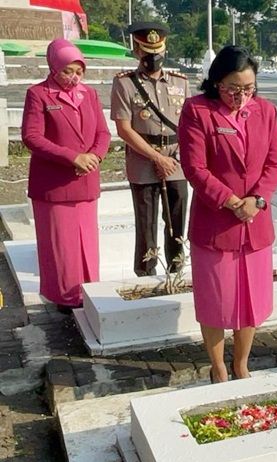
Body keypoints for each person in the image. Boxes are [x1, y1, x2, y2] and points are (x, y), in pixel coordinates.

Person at [178, 46, 277, 383]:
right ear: (216, 83)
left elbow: (275, 162)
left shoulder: (265, 111)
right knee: (215, 300)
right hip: (216, 222)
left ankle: (241, 363)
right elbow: (194, 167)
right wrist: (230, 201)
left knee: (250, 300)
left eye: (248, 89)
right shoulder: (197, 111)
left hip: (255, 222)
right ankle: (218, 366)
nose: (240, 97)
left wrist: (257, 201)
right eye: (232, 89)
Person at [21, 39, 110, 313]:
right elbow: (32, 136)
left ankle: (88, 290)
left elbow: (103, 133)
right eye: (68, 71)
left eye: (79, 72)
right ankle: (64, 298)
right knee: (62, 245)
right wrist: (73, 157)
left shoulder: (90, 95)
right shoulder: (39, 94)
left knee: (86, 243)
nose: (74, 78)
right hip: (54, 185)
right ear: (54, 67)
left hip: (86, 180)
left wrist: (94, 155)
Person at [111, 22, 190, 277]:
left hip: (176, 161)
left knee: (176, 221)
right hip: (143, 161)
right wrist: (157, 157)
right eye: (147, 51)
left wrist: (174, 157)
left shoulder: (180, 82)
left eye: (157, 50)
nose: (153, 57)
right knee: (146, 223)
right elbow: (124, 129)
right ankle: (145, 274)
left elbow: (189, 124)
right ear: (136, 50)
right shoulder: (125, 83)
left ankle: (176, 271)